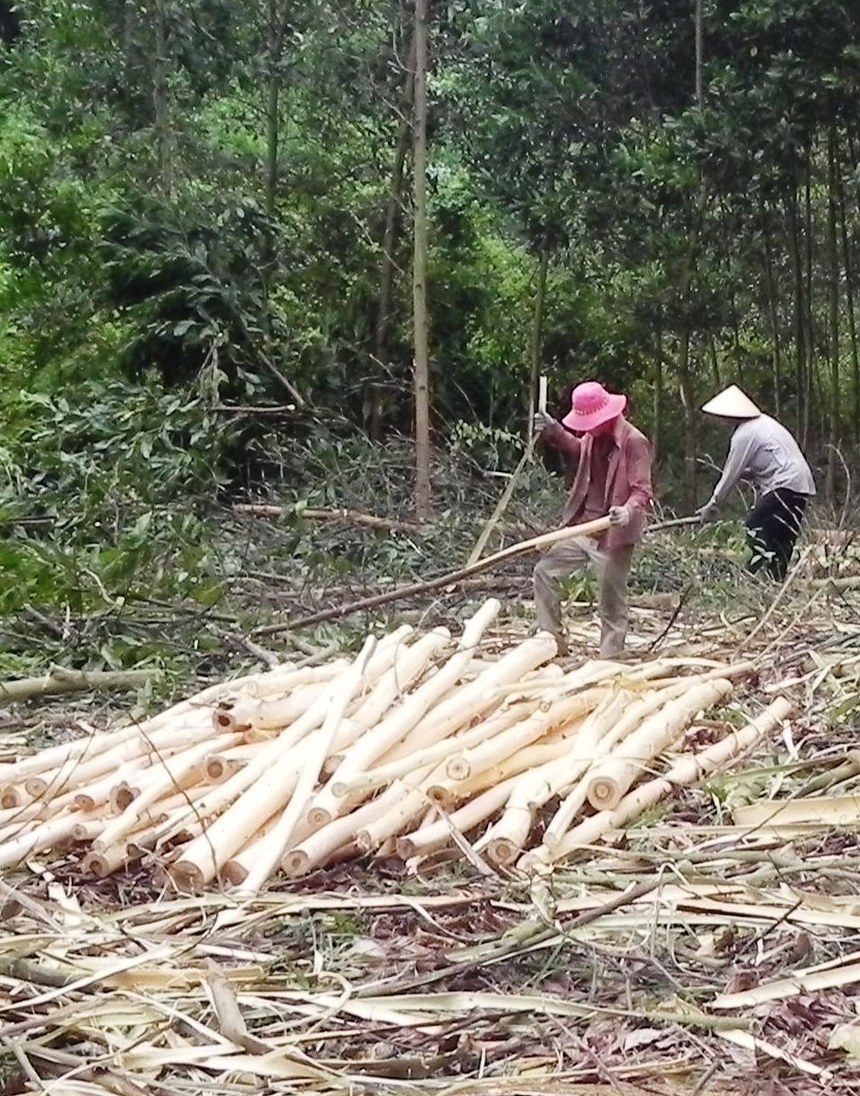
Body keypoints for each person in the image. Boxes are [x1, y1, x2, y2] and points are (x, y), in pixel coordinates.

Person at [532, 381, 654, 658]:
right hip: (584, 527)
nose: (586, 428)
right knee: (544, 571)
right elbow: (578, 448)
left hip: (613, 534)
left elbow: (642, 489)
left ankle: (610, 660)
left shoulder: (634, 442)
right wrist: (554, 430)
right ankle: (551, 644)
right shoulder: (591, 436)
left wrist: (627, 510)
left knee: (611, 600)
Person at [697, 384, 815, 580]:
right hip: (800, 483)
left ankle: (749, 575)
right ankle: (774, 582)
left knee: (755, 525)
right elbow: (771, 459)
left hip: (785, 482)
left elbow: (730, 473)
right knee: (781, 538)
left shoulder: (744, 435)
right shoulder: (765, 423)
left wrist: (713, 504)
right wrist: (749, 474)